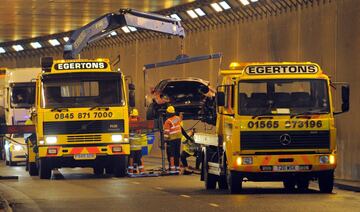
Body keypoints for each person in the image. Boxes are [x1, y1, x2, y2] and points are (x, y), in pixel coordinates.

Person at [163, 106, 182, 174]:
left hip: (171, 139)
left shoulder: (168, 121)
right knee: (177, 153)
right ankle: (177, 168)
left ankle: (172, 169)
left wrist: (164, 140)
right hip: (178, 138)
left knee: (171, 154)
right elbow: (180, 118)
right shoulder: (177, 118)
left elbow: (166, 133)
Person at [128, 109, 146, 175]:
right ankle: (141, 170)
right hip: (138, 145)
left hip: (132, 145)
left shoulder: (129, 122)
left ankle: (131, 171)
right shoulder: (139, 122)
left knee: (131, 158)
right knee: (139, 158)